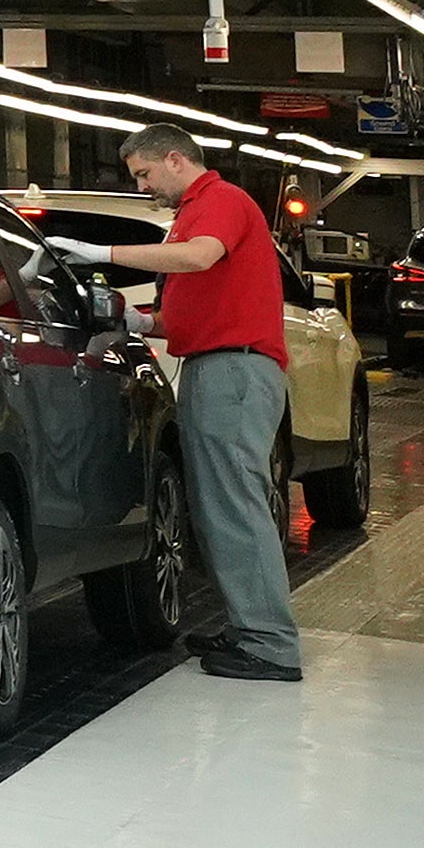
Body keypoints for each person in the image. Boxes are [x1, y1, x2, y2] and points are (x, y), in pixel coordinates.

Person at [89, 124, 303, 685]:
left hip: (235, 370)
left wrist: (101, 252)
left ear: (177, 160)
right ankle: (248, 626)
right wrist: (141, 321)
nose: (144, 186)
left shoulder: (220, 201)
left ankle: (271, 644)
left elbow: (200, 259)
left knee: (236, 505)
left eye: (145, 173)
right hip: (218, 367)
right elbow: (192, 304)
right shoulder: (191, 212)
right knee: (218, 507)